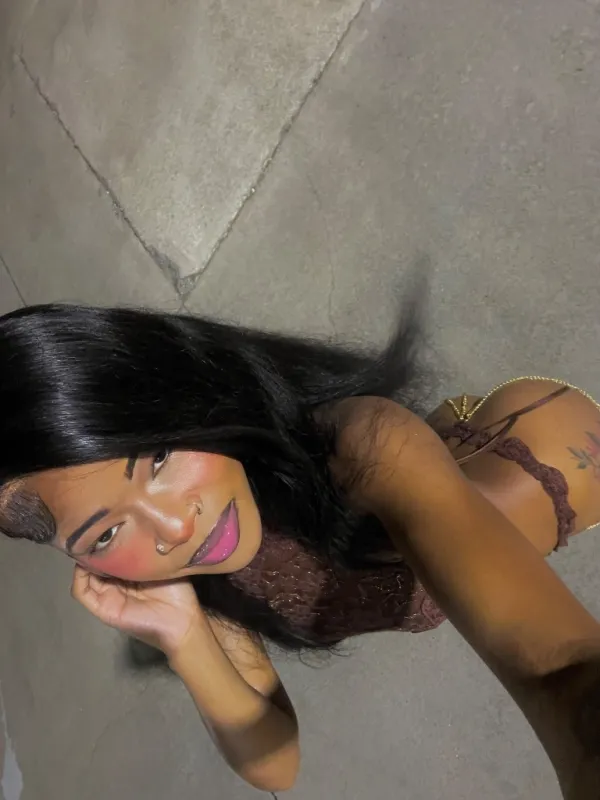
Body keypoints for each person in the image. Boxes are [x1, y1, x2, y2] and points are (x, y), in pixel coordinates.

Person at [1, 303, 599, 795]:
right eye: (106, 534)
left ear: (184, 390)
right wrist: (183, 636)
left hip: (554, 457)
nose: (175, 527)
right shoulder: (199, 575)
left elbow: (558, 670)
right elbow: (277, 767)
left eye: (157, 458)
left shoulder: (364, 444)